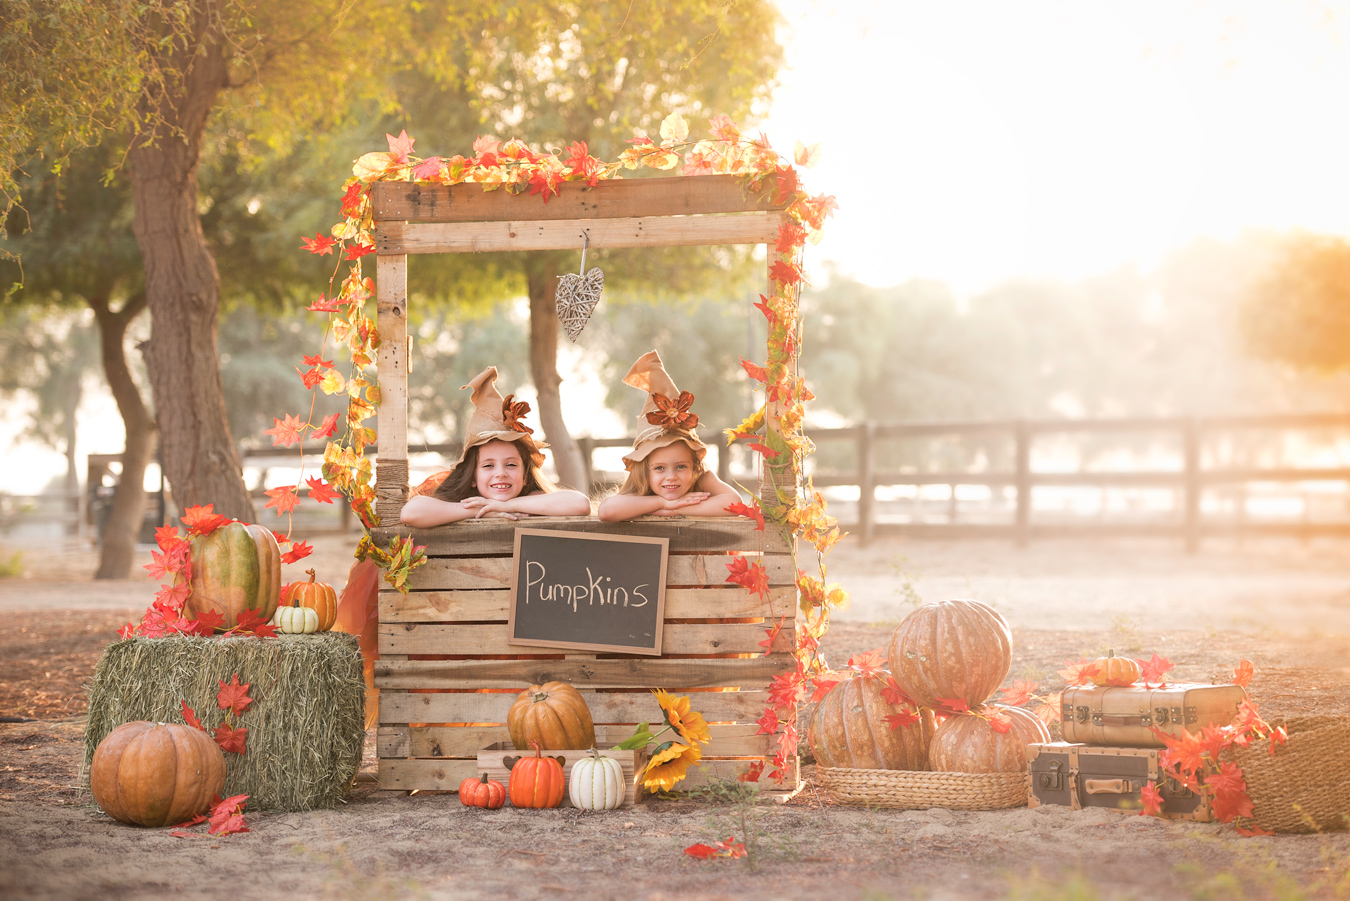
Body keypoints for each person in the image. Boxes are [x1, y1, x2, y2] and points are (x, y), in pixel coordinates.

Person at [400, 367, 591, 527]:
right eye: (488, 465)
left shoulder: (534, 501)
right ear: (473, 476)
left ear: (525, 476)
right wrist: (483, 508)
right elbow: (411, 512)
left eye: (511, 465)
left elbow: (580, 504)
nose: (500, 473)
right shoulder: (466, 500)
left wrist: (507, 506)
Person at [598, 350, 743, 522]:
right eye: (659, 468)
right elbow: (606, 511)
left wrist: (677, 508)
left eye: (681, 466)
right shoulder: (640, 485)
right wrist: (662, 503)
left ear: (695, 466)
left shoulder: (701, 477)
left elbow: (735, 504)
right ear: (645, 469)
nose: (671, 476)